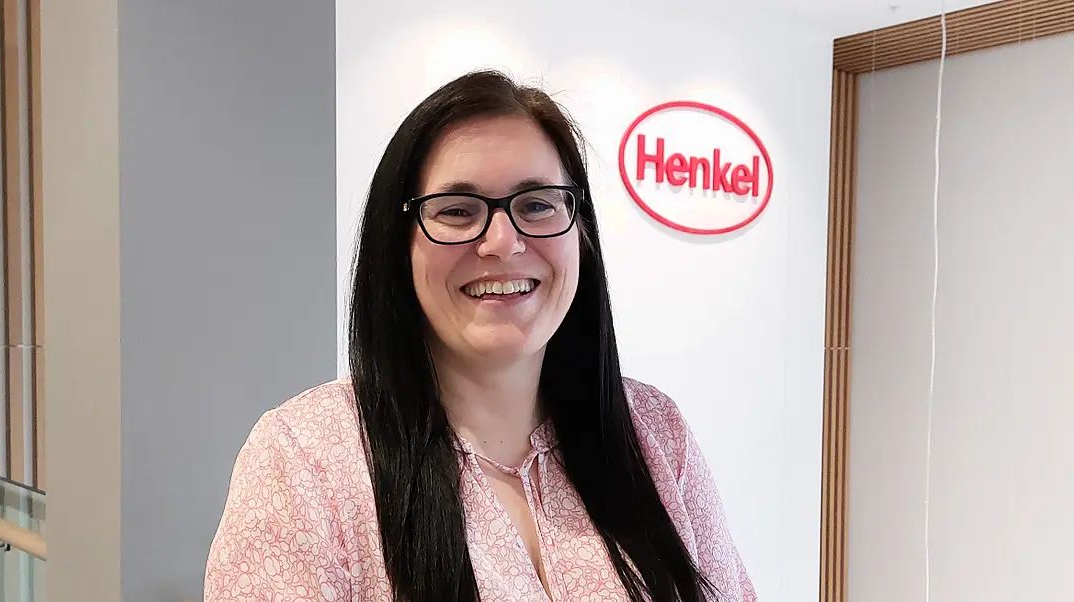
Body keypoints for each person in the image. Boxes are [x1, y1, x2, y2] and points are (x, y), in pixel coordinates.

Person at [204, 70, 756, 602]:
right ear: (398, 245)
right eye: (457, 211)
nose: (501, 242)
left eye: (537, 204)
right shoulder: (307, 460)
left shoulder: (654, 435)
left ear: (581, 232)